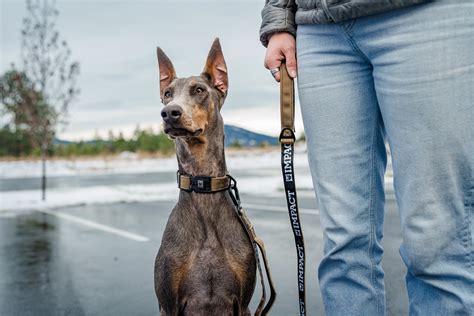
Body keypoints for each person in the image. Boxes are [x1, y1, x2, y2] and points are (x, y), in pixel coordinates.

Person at [260, 0, 473, 314]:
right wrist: (278, 19)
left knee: (437, 238)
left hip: (426, 14)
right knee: (344, 246)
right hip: (320, 29)